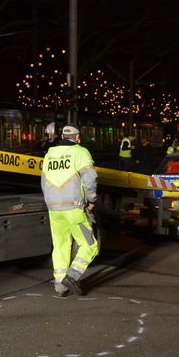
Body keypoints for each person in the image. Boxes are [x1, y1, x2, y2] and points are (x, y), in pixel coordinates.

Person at [40, 125, 99, 297]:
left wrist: (51, 201)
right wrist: (92, 200)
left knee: (60, 245)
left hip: (53, 208)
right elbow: (90, 179)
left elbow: (43, 181)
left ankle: (60, 286)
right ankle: (72, 276)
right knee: (90, 245)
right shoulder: (80, 152)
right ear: (77, 137)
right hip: (73, 208)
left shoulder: (49, 155)